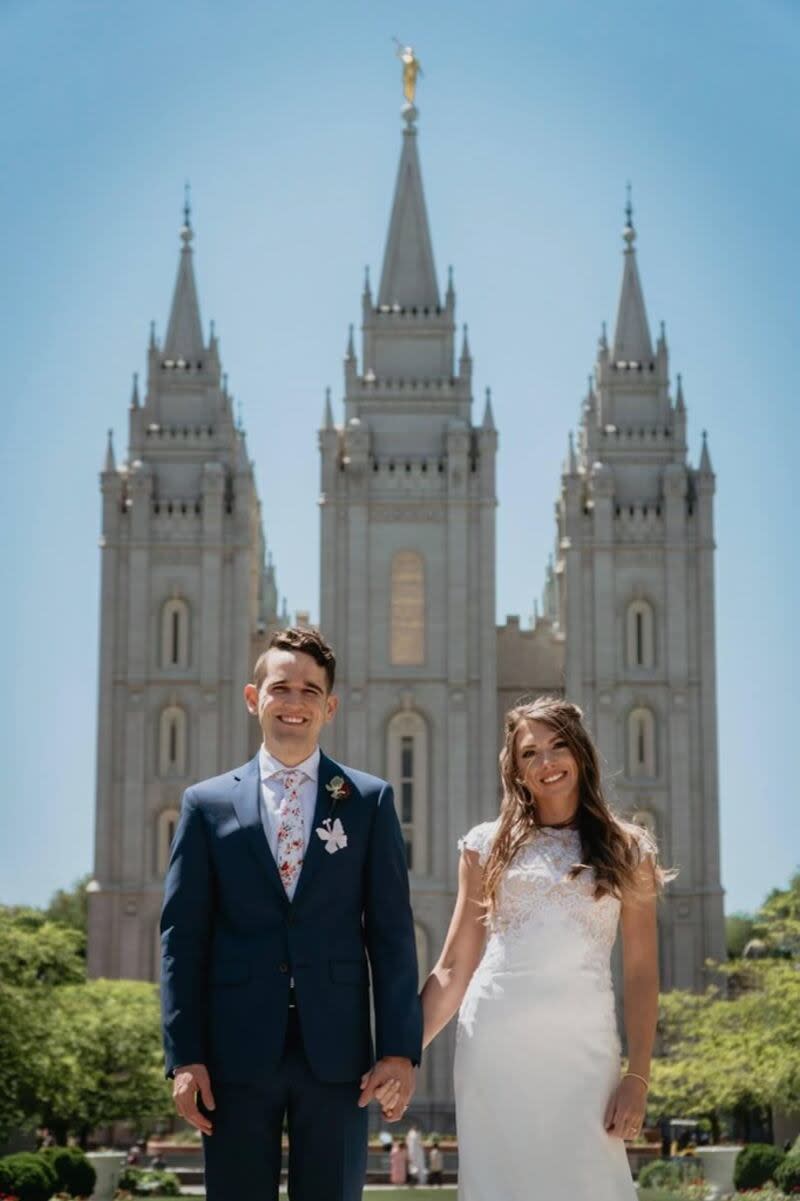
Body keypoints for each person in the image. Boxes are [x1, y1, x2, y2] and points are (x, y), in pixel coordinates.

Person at [160, 626, 422, 1201]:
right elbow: (183, 937)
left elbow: (392, 934)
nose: (294, 703)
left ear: (329, 706)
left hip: (339, 1060)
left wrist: (399, 1050)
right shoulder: (206, 805)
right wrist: (185, 1056)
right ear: (255, 699)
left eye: (309, 691)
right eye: (281, 688)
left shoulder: (368, 800)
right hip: (233, 1057)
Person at [378, 696, 669, 1200]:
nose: (547, 763)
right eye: (530, 753)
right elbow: (452, 969)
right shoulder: (484, 847)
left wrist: (637, 1075)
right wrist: (399, 1054)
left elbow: (642, 971)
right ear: (514, 768)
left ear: (581, 753)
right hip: (494, 1048)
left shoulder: (628, 849)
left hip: (585, 1053)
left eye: (558, 747)